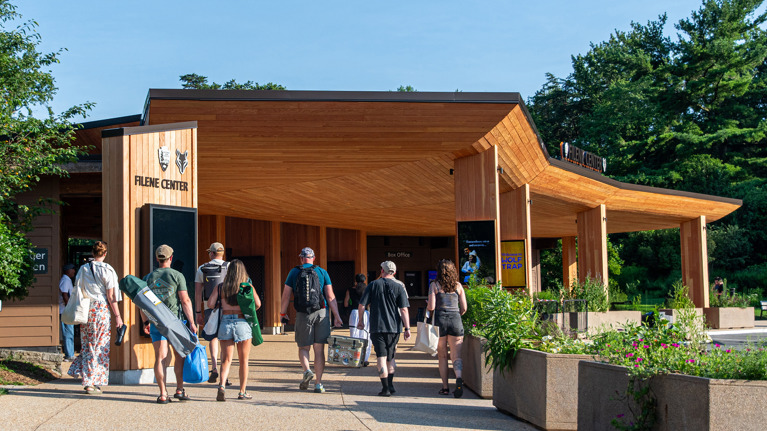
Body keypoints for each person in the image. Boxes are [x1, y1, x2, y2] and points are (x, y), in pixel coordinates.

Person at [279, 247, 343, 394]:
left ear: (301, 258)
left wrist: (282, 313)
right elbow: (331, 296)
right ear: (313, 258)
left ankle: (307, 370)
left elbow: (286, 295)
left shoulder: (294, 272)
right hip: (321, 312)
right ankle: (318, 384)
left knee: (303, 348)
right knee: (319, 350)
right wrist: (337, 317)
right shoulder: (322, 272)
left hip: (303, 313)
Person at [141, 244, 197, 404]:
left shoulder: (147, 278)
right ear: (171, 258)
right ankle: (180, 389)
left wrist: (145, 321)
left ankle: (163, 393)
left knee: (160, 358)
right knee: (180, 355)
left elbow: (143, 303)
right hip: (175, 322)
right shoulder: (177, 276)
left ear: (157, 259)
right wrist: (192, 322)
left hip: (157, 322)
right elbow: (185, 300)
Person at [67, 241, 123, 394]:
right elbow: (111, 296)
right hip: (102, 309)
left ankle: (89, 379)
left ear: (92, 253)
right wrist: (118, 316)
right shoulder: (108, 270)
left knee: (88, 345)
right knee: (100, 346)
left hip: (87, 310)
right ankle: (92, 381)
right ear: (105, 254)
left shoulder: (83, 269)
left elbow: (77, 288)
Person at [207, 259, 260, 401]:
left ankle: (222, 386)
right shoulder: (247, 287)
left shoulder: (221, 287)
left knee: (226, 359)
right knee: (243, 360)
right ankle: (242, 392)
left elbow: (210, 304)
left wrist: (221, 306)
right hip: (242, 322)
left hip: (225, 322)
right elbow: (258, 304)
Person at [357, 261, 410, 397]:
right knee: (391, 357)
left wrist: (360, 321)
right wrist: (407, 328)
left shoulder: (373, 285)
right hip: (394, 328)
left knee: (381, 356)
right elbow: (404, 309)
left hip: (377, 327)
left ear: (382, 271)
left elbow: (362, 305)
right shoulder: (399, 286)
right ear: (395, 272)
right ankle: (391, 385)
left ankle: (385, 388)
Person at [427, 259, 468, 397]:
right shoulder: (458, 286)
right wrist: (456, 313)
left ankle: (445, 387)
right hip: (455, 320)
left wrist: (428, 304)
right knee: (456, 356)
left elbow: (431, 307)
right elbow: (464, 308)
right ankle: (458, 378)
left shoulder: (435, 285)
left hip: (440, 321)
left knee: (442, 355)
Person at [195, 242, 229, 385]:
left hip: (209, 306)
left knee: (213, 338)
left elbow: (197, 293)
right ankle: (224, 373)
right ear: (222, 253)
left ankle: (214, 366)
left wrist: (198, 312)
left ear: (211, 253)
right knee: (225, 340)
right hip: (227, 308)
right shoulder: (230, 267)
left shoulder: (202, 268)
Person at [345, 273, 371, 366]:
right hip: (365, 313)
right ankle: (365, 359)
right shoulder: (368, 289)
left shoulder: (350, 290)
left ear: (355, 280)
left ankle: (354, 358)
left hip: (354, 313)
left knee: (354, 335)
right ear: (364, 280)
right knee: (366, 335)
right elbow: (369, 303)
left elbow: (345, 304)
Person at [59, 263, 76, 361]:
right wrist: (69, 307)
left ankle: (69, 353)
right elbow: (65, 294)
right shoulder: (65, 280)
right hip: (65, 311)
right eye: (72, 269)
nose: (74, 271)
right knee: (68, 332)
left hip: (65, 310)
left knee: (69, 331)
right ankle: (69, 355)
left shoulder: (67, 279)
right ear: (68, 270)